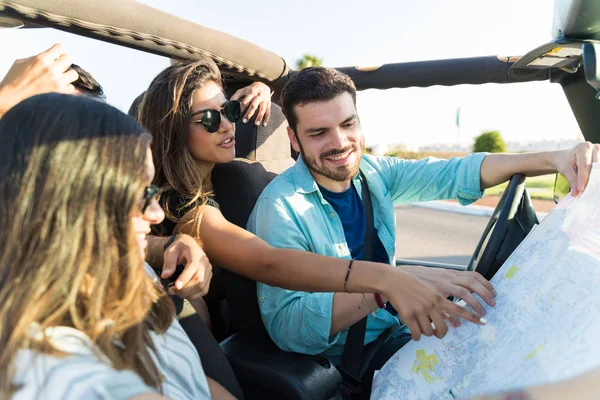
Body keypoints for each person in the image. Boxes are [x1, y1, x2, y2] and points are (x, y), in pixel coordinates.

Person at [246, 66, 600, 387]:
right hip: (353, 364)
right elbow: (288, 330)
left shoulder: (372, 173)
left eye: (348, 124)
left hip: (401, 331)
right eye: (319, 132)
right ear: (294, 139)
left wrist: (555, 158)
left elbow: (456, 173)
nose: (340, 142)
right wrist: (385, 286)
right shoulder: (279, 209)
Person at [136, 58, 488, 344]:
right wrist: (385, 280)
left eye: (228, 109)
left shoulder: (224, 179)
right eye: (211, 118)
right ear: (175, 129)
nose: (229, 125)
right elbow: (269, 262)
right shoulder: (184, 207)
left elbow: (450, 173)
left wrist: (263, 87)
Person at [0, 93, 234, 399]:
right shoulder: (62, 370)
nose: (156, 213)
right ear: (71, 203)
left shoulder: (127, 273)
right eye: (135, 193)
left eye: (150, 190)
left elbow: (196, 381)